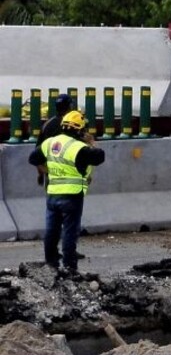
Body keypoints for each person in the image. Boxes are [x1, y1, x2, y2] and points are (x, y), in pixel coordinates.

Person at [27, 110, 105, 276]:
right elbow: (99, 157)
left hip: (53, 193)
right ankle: (70, 268)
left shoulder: (50, 142)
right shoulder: (78, 147)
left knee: (51, 231)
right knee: (70, 232)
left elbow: (33, 158)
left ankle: (51, 264)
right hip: (72, 195)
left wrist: (47, 171)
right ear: (79, 130)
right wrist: (92, 142)